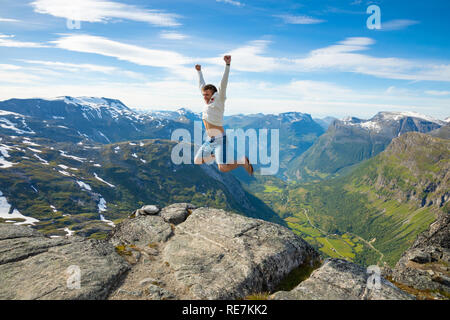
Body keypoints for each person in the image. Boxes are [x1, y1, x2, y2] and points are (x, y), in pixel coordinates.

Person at [193, 55, 253, 175]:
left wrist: (227, 65)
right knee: (198, 161)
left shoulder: (219, 99)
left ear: (213, 94)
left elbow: (223, 83)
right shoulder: (207, 102)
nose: (204, 97)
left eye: (207, 95)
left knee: (223, 168)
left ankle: (242, 162)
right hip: (210, 140)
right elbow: (202, 85)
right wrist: (199, 72)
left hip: (220, 140)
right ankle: (215, 155)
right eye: (203, 95)